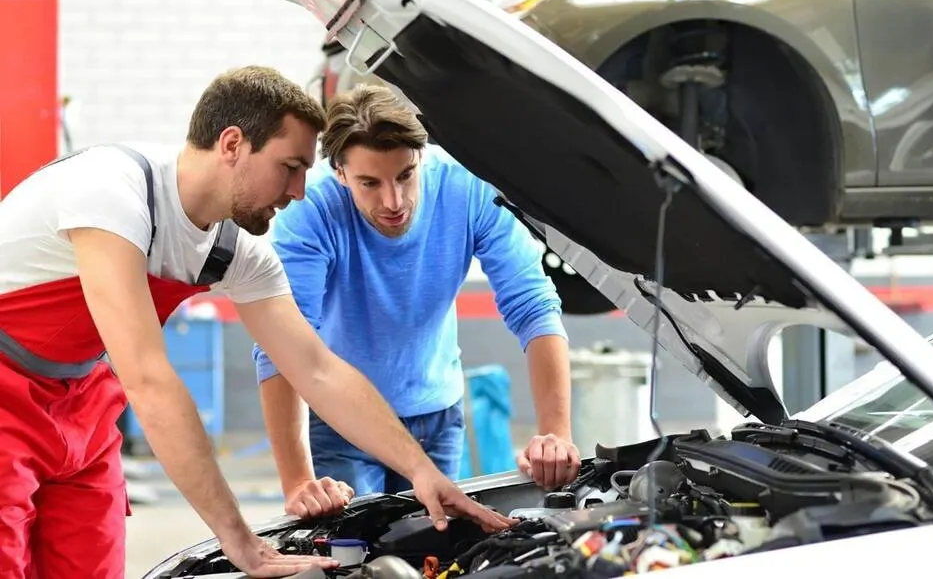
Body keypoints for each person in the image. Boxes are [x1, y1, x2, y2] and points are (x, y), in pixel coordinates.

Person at [0, 66, 511, 579]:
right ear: (232, 144)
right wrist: (239, 540)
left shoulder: (235, 251)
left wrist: (422, 471)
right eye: (289, 167)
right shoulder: (112, 192)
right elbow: (148, 380)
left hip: (82, 405)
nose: (299, 191)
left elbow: (317, 369)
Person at [252, 83, 582, 514]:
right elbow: (282, 346)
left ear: (421, 155)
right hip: (341, 425)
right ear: (339, 173)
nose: (394, 201)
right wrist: (298, 481)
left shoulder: (470, 189)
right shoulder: (311, 211)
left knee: (437, 543)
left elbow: (533, 304)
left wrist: (556, 434)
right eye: (369, 183)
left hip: (437, 417)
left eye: (405, 175)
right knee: (357, 547)